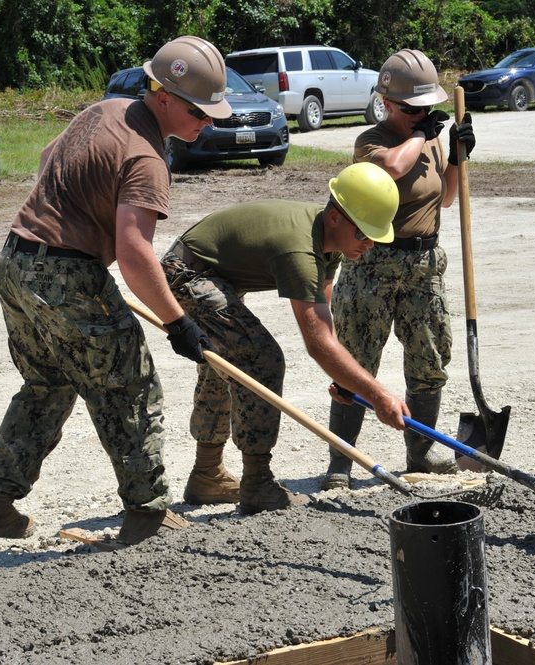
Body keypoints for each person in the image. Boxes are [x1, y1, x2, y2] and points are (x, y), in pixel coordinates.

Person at [0, 36, 232, 546]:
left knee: (47, 385)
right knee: (129, 385)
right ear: (164, 96)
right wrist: (178, 322)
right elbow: (135, 253)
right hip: (67, 272)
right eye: (200, 111)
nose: (208, 122)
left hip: (17, 261)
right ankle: (147, 516)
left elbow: (49, 156)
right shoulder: (149, 159)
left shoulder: (106, 109)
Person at [161, 162, 411, 513]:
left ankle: (206, 475)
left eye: (375, 236)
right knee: (260, 359)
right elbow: (317, 343)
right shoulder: (301, 250)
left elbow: (324, 320)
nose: (369, 244)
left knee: (225, 364)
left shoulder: (330, 242)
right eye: (363, 234)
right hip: (186, 271)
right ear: (337, 216)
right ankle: (257, 483)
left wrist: (343, 379)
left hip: (212, 273)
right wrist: (378, 393)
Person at [321, 49, 477, 490]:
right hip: (373, 265)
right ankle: (341, 463)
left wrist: (455, 156)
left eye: (426, 108)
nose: (421, 115)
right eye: (411, 109)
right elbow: (390, 170)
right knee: (356, 360)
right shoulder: (370, 142)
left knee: (429, 358)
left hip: (424, 264)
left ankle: (420, 456)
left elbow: (444, 198)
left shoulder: (427, 137)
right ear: (387, 103)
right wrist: (420, 135)